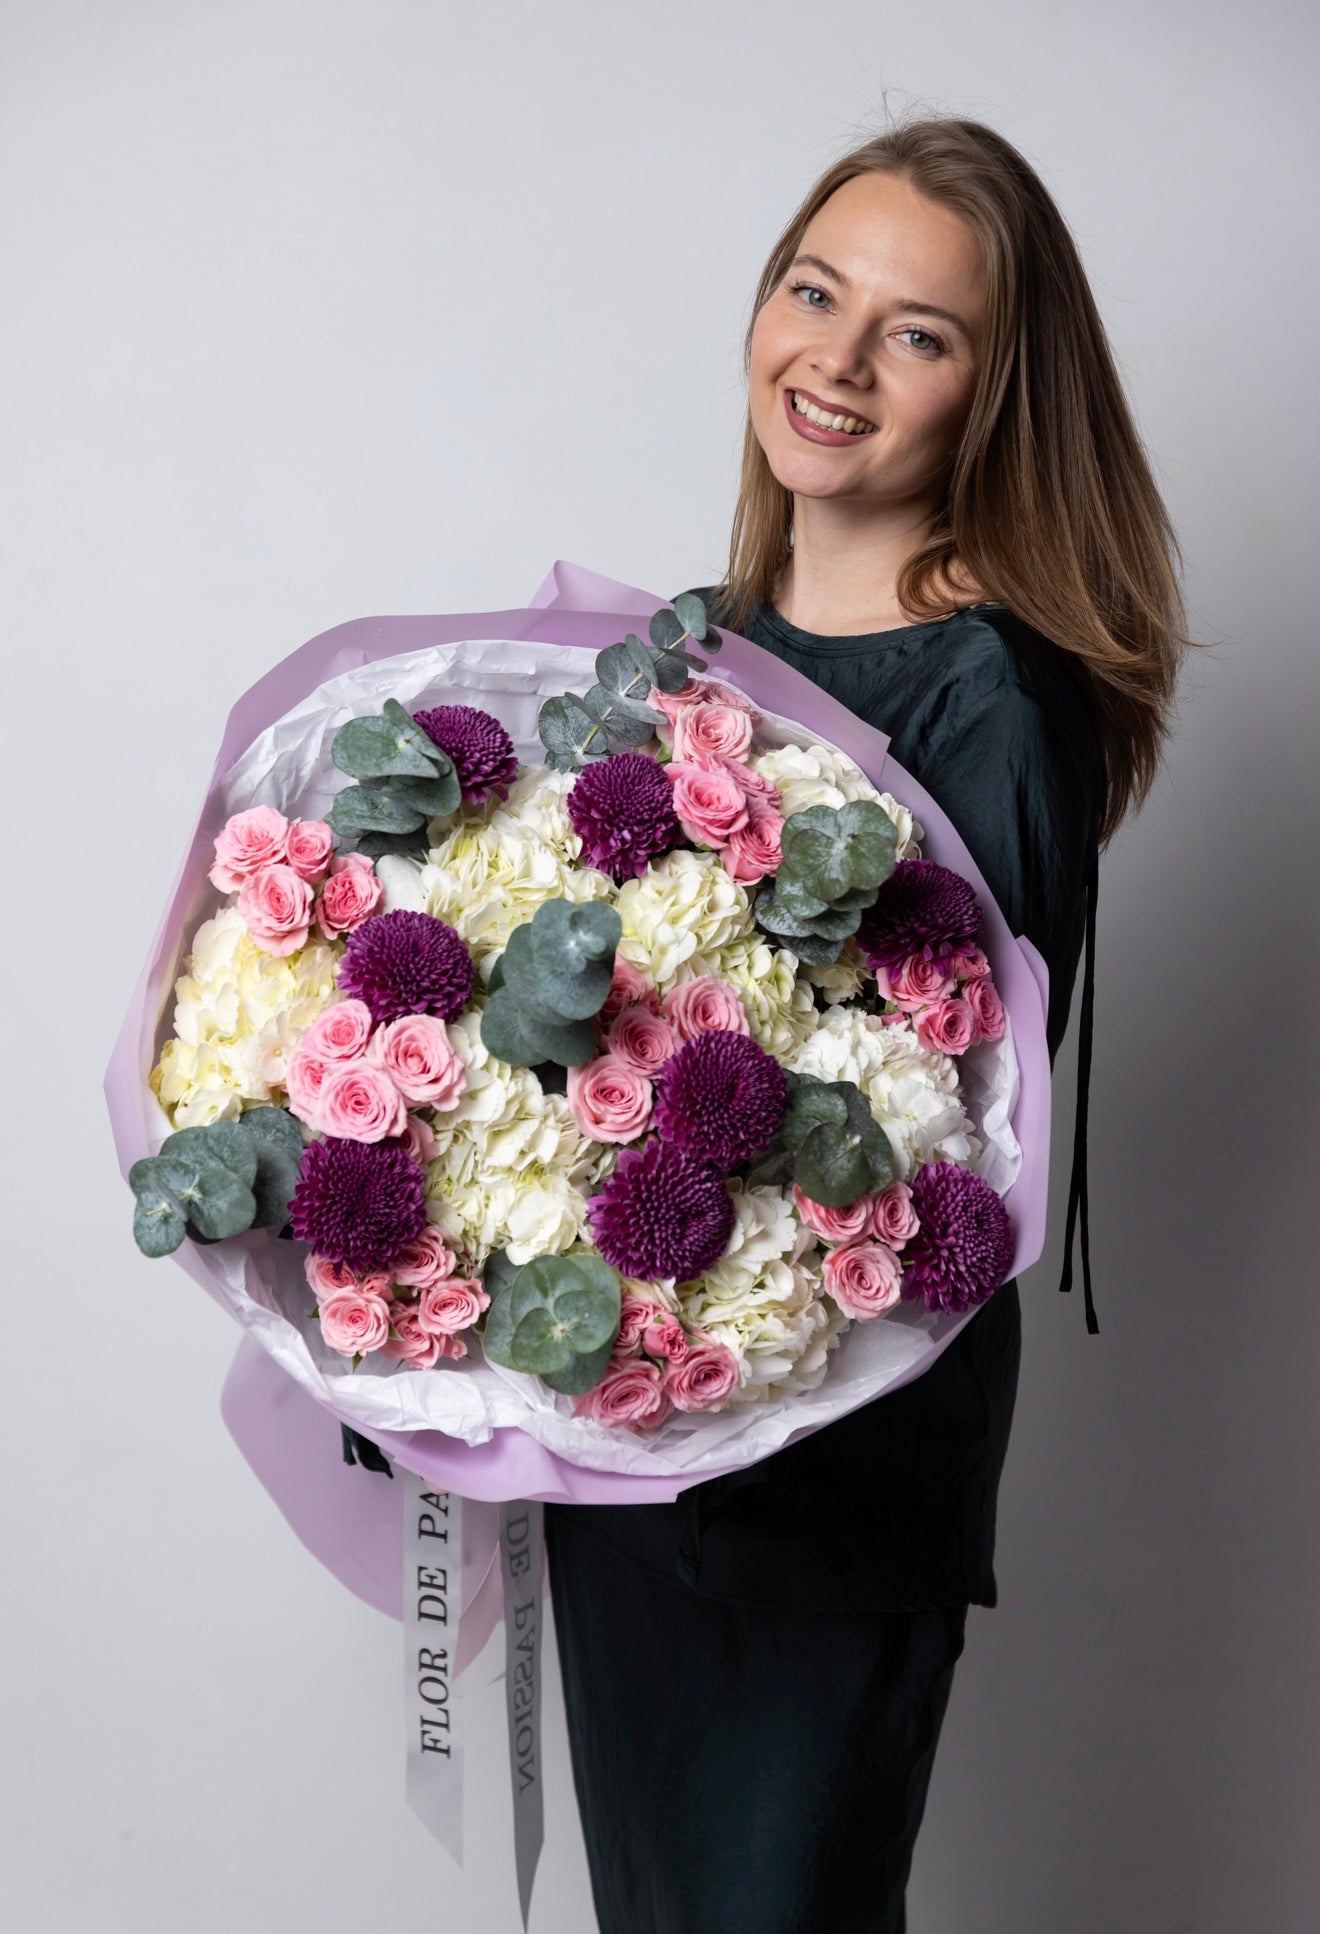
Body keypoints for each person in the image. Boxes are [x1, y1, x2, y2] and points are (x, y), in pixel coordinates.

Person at [544, 114, 1196, 1933]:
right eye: (815, 291)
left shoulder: (993, 691)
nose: (835, 355)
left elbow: (943, 1134)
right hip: (630, 1441)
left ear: (994, 393)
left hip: (830, 1479)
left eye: (915, 330)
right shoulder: (688, 652)